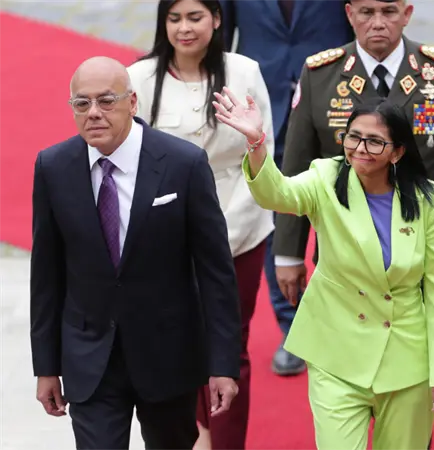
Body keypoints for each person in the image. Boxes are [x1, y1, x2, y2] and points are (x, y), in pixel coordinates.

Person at [215, 89, 434, 449]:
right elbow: (276, 194)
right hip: (336, 351)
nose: (360, 149)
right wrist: (256, 142)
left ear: (398, 151)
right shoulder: (325, 178)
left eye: (375, 142)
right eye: (353, 137)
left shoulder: (430, 199)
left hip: (407, 358)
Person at [30, 56, 241, 450]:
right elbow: (46, 276)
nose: (93, 113)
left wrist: (223, 364)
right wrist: (46, 367)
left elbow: (215, 273)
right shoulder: (54, 167)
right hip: (90, 357)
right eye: (82, 103)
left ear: (133, 102)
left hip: (167, 356)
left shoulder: (184, 164)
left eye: (106, 101)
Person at [272, 0, 434, 317]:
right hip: (344, 246)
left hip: (421, 243)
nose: (377, 22)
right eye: (366, 12)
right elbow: (296, 167)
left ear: (407, 14)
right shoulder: (321, 75)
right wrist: (288, 254)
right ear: (349, 15)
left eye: (388, 12)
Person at [126, 0, 273, 448]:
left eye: (194, 17)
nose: (184, 29)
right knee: (176, 344)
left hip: (241, 227)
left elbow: (260, 150)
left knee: (231, 346)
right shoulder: (139, 78)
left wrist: (217, 238)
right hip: (163, 236)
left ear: (216, 19)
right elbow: (132, 162)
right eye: (174, 19)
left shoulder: (244, 71)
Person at [219, 0, 355, 377]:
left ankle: (347, 322)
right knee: (274, 211)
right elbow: (219, 34)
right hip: (261, 101)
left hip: (339, 102)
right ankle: (292, 326)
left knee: (344, 210)